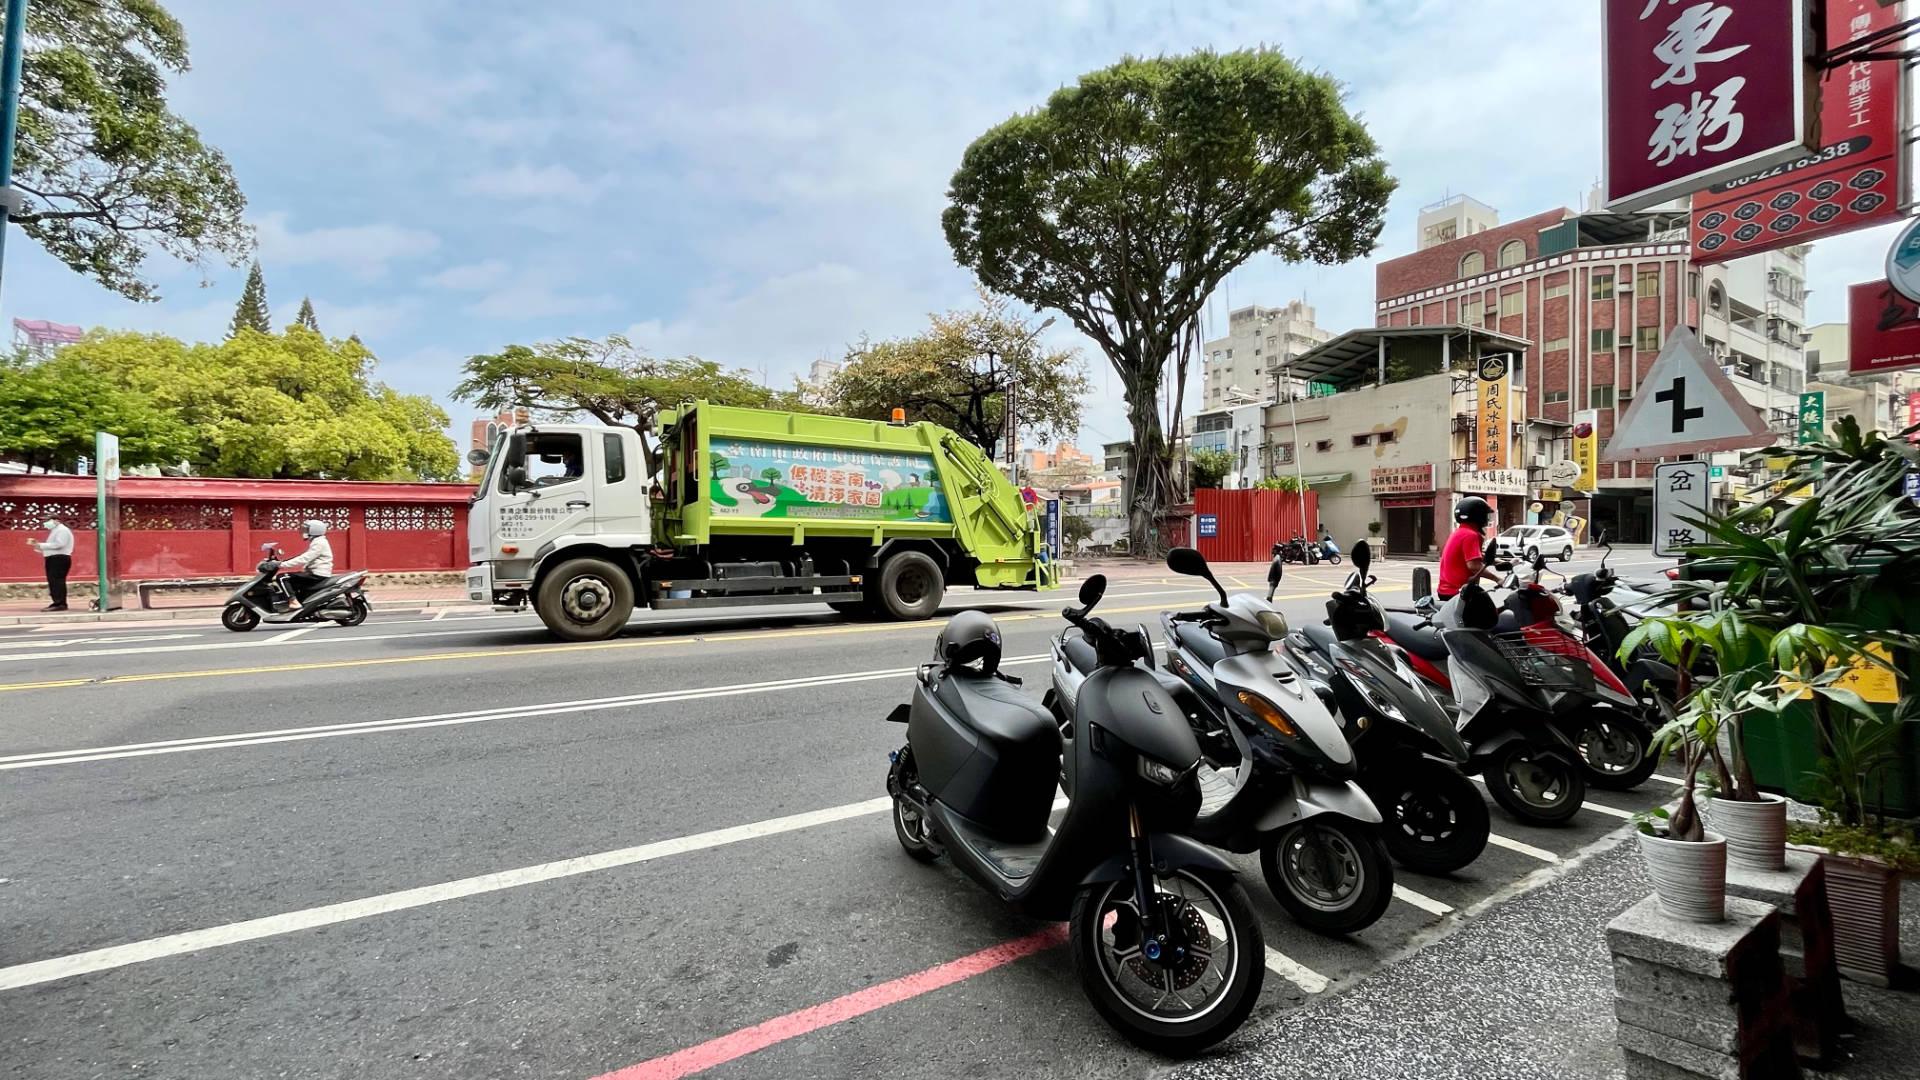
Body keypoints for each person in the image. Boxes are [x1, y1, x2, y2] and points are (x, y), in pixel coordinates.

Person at [1437, 496, 1501, 600]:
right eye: (1485, 515)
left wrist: (1502, 562)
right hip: (1459, 592)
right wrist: (1498, 579)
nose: (1487, 518)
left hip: (1447, 591)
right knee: (1489, 613)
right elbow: (1474, 566)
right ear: (1478, 516)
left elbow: (1475, 557)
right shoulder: (1471, 535)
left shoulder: (1459, 532)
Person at [278, 519, 334, 603]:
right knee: (294, 581)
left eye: (306, 530)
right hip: (314, 573)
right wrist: (283, 561)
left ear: (314, 530)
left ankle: (293, 602)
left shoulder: (319, 542)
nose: (304, 532)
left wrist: (281, 565)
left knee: (282, 577)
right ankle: (297, 601)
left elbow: (305, 558)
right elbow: (305, 557)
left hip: (317, 574)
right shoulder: (318, 541)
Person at [26, 518, 74, 612]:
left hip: (59, 558)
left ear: (57, 520)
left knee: (57, 581)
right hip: (53, 558)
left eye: (48, 520)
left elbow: (60, 544)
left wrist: (41, 545)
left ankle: (60, 603)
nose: (46, 523)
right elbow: (52, 546)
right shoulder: (55, 531)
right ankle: (58, 602)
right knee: (53, 581)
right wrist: (38, 545)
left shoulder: (62, 530)